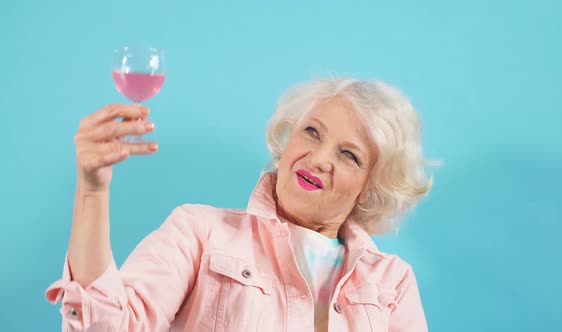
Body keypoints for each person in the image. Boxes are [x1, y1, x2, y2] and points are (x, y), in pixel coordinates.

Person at [46, 78, 433, 332]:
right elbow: (109, 326)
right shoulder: (199, 232)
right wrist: (93, 190)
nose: (318, 158)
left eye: (349, 155)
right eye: (312, 132)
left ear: (369, 187)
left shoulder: (391, 282)